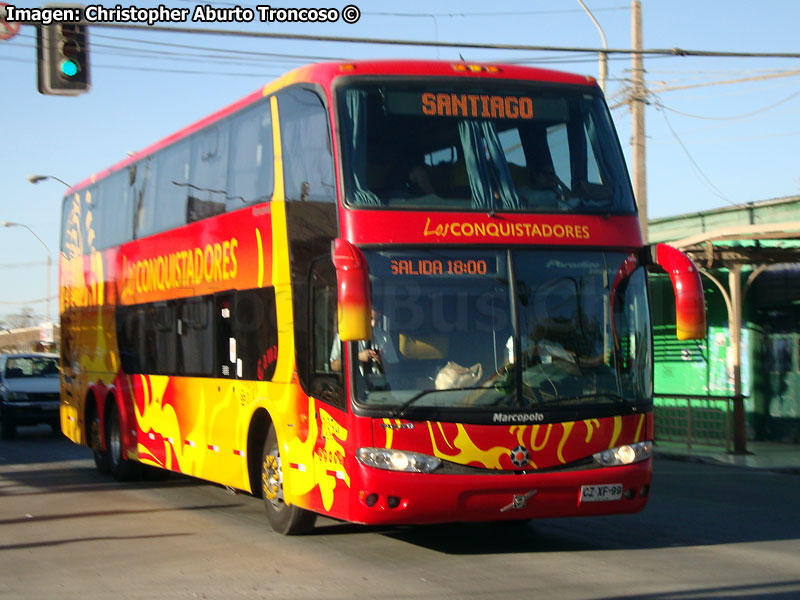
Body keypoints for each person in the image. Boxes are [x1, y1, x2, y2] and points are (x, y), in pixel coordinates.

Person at [329, 309, 397, 374]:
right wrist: (358, 357)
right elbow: (334, 366)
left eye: (377, 320)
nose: (373, 324)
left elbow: (393, 369)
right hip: (355, 383)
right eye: (370, 318)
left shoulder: (384, 337)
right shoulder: (345, 335)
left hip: (380, 383)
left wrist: (381, 360)